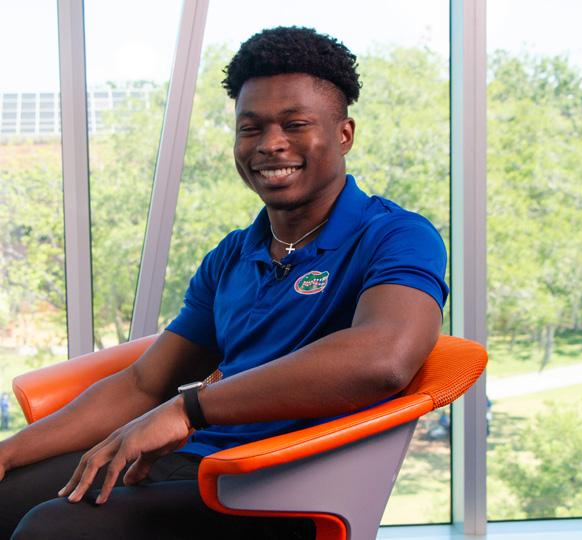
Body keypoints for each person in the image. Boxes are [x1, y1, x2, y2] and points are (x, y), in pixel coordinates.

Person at [0, 26, 448, 539]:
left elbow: (384, 357)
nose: (270, 144)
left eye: (295, 124)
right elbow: (145, 384)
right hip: (190, 463)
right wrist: (7, 452)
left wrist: (190, 408)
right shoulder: (234, 254)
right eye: (250, 128)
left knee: (53, 529)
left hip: (282, 486)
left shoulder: (397, 235)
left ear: (344, 134)